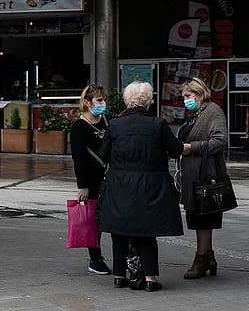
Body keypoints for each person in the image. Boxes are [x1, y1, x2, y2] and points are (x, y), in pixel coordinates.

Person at [98, 81, 183, 291]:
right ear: (147, 101)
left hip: (119, 187)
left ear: (127, 101)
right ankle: (150, 279)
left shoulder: (115, 125)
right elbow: (175, 150)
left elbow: (103, 155)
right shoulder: (158, 124)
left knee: (119, 232)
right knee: (147, 232)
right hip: (150, 188)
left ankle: (119, 276)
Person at [177, 77, 227, 279]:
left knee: (204, 218)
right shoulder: (196, 114)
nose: (185, 100)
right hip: (194, 175)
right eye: (183, 97)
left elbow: (220, 140)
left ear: (199, 94)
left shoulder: (212, 111)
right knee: (199, 217)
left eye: (188, 96)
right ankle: (208, 256)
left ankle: (201, 258)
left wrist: (192, 147)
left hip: (206, 175)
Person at [70, 84, 111, 275]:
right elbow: (78, 158)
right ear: (87, 103)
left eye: (104, 100)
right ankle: (95, 258)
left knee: (110, 216)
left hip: (109, 177)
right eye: (99, 100)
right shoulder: (79, 126)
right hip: (92, 180)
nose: (103, 104)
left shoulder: (105, 120)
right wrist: (82, 186)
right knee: (93, 221)